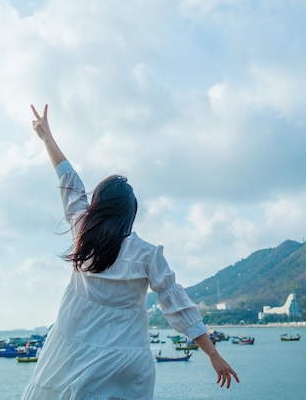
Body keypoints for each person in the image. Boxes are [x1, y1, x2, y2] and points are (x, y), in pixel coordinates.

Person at [21, 104, 239, 400]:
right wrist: (213, 354)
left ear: (98, 204)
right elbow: (177, 304)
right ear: (130, 213)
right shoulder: (147, 255)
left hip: (74, 358)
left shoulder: (82, 231)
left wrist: (47, 138)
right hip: (127, 360)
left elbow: (69, 181)